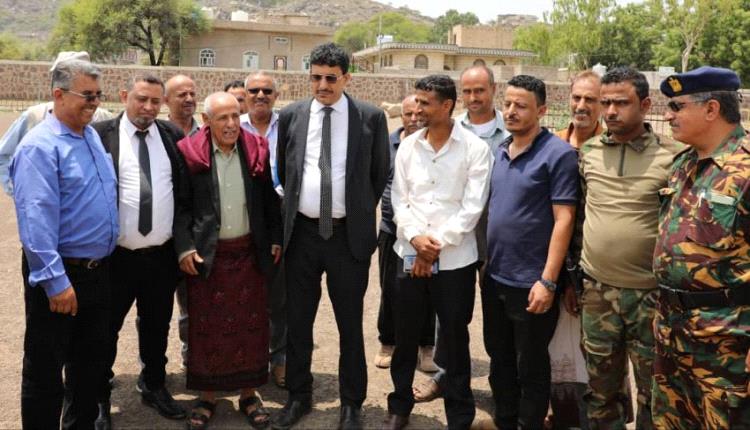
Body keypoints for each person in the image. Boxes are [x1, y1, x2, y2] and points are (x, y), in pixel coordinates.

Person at [273, 42, 389, 430]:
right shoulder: (291, 115)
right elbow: (285, 170)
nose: (322, 85)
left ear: (346, 78)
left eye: (330, 78)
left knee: (350, 326)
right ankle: (298, 397)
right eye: (316, 77)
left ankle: (351, 405)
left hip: (347, 239)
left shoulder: (370, 117)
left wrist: (354, 211)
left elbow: (377, 175)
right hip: (302, 237)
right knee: (298, 323)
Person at [11, 59, 118, 429]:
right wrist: (55, 282)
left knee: (88, 368)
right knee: (45, 371)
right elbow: (35, 220)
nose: (95, 103)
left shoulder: (90, 137)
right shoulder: (39, 147)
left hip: (97, 274)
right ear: (58, 94)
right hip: (61, 276)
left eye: (98, 95)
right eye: (87, 95)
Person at [385, 75, 491, 430]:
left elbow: (471, 209)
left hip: (455, 261)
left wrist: (433, 248)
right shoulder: (408, 147)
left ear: (447, 106)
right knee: (405, 337)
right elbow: (399, 200)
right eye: (416, 101)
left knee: (455, 339)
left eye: (425, 103)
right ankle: (400, 406)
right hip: (409, 253)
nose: (417, 109)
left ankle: (459, 416)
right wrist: (416, 239)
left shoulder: (475, 149)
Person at [578, 67, 681, 430]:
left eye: (621, 103)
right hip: (597, 291)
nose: (610, 111)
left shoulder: (674, 157)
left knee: (654, 391)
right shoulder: (589, 152)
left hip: (651, 296)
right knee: (600, 390)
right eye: (605, 102)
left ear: (646, 105)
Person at [175, 92, 282, 430]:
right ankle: (207, 397)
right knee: (207, 330)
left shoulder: (256, 149)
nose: (232, 124)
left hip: (250, 254)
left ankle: (249, 395)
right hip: (208, 258)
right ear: (206, 121)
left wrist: (275, 238)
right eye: (223, 118)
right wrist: (184, 247)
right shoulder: (189, 154)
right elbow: (180, 207)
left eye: (236, 115)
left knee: (252, 327)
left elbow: (269, 201)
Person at [652, 66, 750, 429]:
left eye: (677, 106)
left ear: (711, 109)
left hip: (726, 348)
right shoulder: (684, 164)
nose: (668, 115)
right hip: (672, 337)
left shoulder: (745, 170)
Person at [92, 74, 189, 428]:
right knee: (104, 330)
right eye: (141, 99)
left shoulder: (172, 135)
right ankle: (98, 396)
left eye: (155, 101)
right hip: (114, 258)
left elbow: (184, 192)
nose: (148, 107)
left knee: (157, 325)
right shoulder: (99, 135)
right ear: (124, 96)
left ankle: (154, 384)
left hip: (160, 256)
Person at [482, 75, 578, 430]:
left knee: (531, 365)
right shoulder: (501, 150)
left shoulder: (558, 155)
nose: (511, 111)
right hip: (495, 277)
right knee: (499, 359)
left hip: (532, 283)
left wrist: (548, 281)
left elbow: (564, 219)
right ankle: (505, 420)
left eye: (521, 106)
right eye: (507, 104)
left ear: (542, 110)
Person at [547, 70, 604, 430]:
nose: (582, 106)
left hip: (595, 269)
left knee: (599, 352)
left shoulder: (610, 149)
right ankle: (558, 413)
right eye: (577, 98)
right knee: (554, 346)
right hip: (555, 265)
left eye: (591, 100)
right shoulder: (553, 145)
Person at [373, 94, 438, 374]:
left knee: (428, 290)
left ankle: (427, 345)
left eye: (418, 114)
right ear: (400, 116)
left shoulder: (434, 144)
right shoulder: (386, 144)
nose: (413, 119)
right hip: (392, 230)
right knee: (390, 289)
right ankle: (388, 342)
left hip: (426, 234)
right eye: (408, 114)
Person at [0, 51, 112, 195]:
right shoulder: (35, 116)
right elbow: (3, 154)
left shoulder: (102, 119)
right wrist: (17, 190)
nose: (94, 101)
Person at [240, 71, 287, 388]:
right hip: (245, 218)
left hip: (283, 215)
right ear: (244, 94)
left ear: (276, 95)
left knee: (279, 296)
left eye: (267, 91)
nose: (260, 95)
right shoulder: (232, 125)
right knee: (243, 294)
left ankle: (279, 360)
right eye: (254, 90)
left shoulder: (289, 125)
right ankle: (245, 361)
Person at [165, 73, 200, 368]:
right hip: (162, 237)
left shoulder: (207, 134)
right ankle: (152, 370)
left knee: (195, 304)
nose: (189, 99)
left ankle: (193, 360)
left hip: (196, 237)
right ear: (167, 101)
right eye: (181, 94)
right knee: (155, 309)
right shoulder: (156, 135)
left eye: (192, 94)